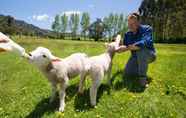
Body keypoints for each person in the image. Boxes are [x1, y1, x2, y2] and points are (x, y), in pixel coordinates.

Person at [116, 12, 156, 87]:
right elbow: (124, 46)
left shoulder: (147, 29)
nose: (130, 26)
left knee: (141, 50)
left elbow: (144, 42)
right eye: (129, 24)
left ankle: (142, 80)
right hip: (135, 57)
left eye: (133, 23)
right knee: (127, 74)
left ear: (138, 22)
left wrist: (128, 47)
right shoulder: (127, 34)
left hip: (149, 54)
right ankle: (139, 69)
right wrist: (118, 48)